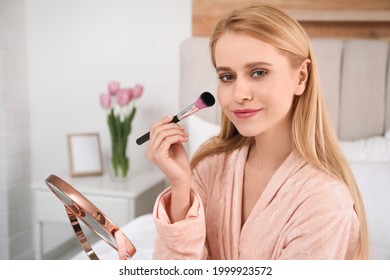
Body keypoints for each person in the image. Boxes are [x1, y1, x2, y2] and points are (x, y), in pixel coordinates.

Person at [145, 4, 368, 259]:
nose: (239, 94)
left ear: (301, 77)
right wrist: (181, 186)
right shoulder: (210, 167)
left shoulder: (326, 205)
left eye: (258, 72)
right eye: (227, 77)